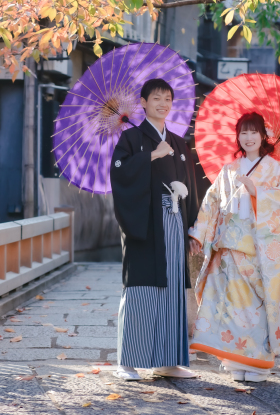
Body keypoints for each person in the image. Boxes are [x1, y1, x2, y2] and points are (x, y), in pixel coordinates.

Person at [188, 112, 280, 383]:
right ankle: (234, 360)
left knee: (254, 307)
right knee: (231, 305)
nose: (248, 138)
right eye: (243, 133)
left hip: (257, 252)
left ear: (263, 136)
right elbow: (212, 203)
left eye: (253, 132)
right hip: (228, 251)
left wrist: (258, 190)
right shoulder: (229, 170)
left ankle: (258, 363)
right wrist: (198, 235)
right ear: (238, 137)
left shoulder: (274, 169)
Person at [109, 78, 200, 381]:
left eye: (168, 99)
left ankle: (169, 360)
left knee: (173, 289)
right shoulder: (131, 139)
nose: (163, 103)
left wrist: (191, 228)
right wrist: (151, 156)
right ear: (144, 102)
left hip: (174, 221)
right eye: (157, 98)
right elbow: (120, 175)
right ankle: (127, 361)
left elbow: (192, 187)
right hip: (145, 223)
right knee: (141, 290)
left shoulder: (179, 143)